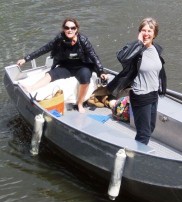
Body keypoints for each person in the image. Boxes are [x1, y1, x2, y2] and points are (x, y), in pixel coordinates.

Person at [17, 18, 106, 113]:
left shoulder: (83, 40)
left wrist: (101, 71)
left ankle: (80, 103)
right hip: (66, 67)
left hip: (82, 67)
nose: (69, 30)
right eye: (67, 27)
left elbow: (93, 55)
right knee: (49, 75)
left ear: (76, 29)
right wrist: (26, 58)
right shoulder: (59, 39)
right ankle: (32, 88)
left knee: (85, 79)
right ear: (64, 29)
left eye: (72, 28)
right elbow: (44, 49)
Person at [104, 17, 167, 145]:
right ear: (139, 32)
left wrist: (162, 87)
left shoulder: (156, 49)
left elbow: (158, 70)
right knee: (144, 133)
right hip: (141, 95)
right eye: (143, 30)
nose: (146, 34)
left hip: (154, 94)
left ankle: (138, 151)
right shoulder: (135, 49)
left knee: (150, 127)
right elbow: (122, 57)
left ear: (155, 34)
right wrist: (138, 43)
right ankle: (135, 157)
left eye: (150, 31)